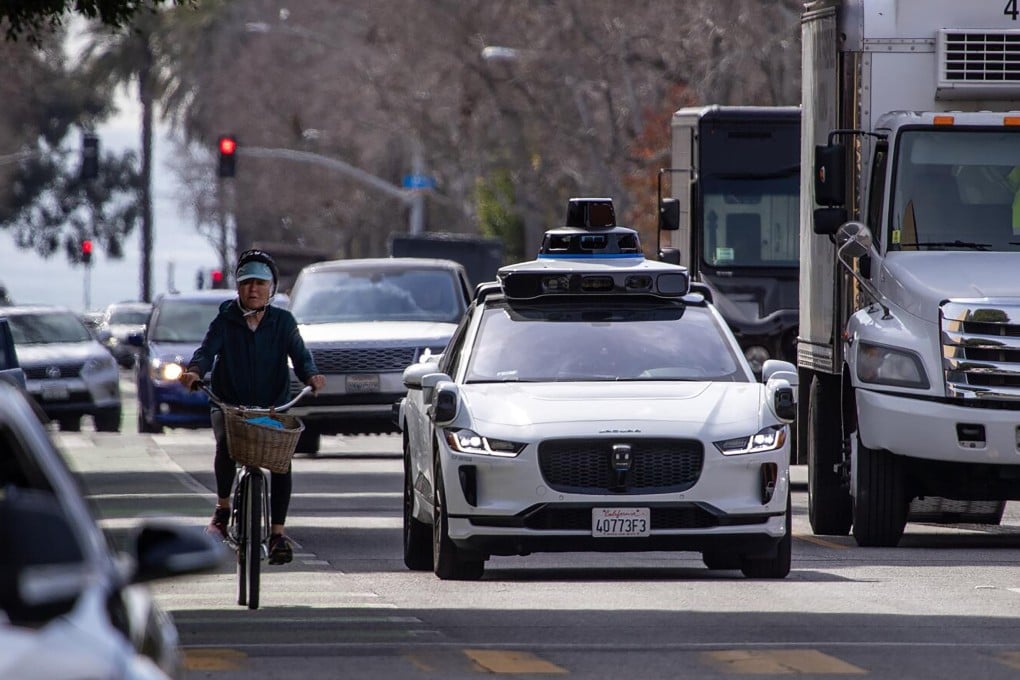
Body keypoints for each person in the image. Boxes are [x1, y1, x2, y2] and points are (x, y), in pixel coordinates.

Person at [179, 249, 325, 565]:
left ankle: (276, 534)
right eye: (247, 283)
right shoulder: (226, 319)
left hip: (272, 407)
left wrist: (312, 375)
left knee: (281, 461)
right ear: (238, 288)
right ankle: (221, 509)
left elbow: (300, 356)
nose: (253, 289)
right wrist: (194, 372)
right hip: (229, 404)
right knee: (225, 443)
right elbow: (206, 353)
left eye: (260, 283)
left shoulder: (283, 322)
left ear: (271, 288)